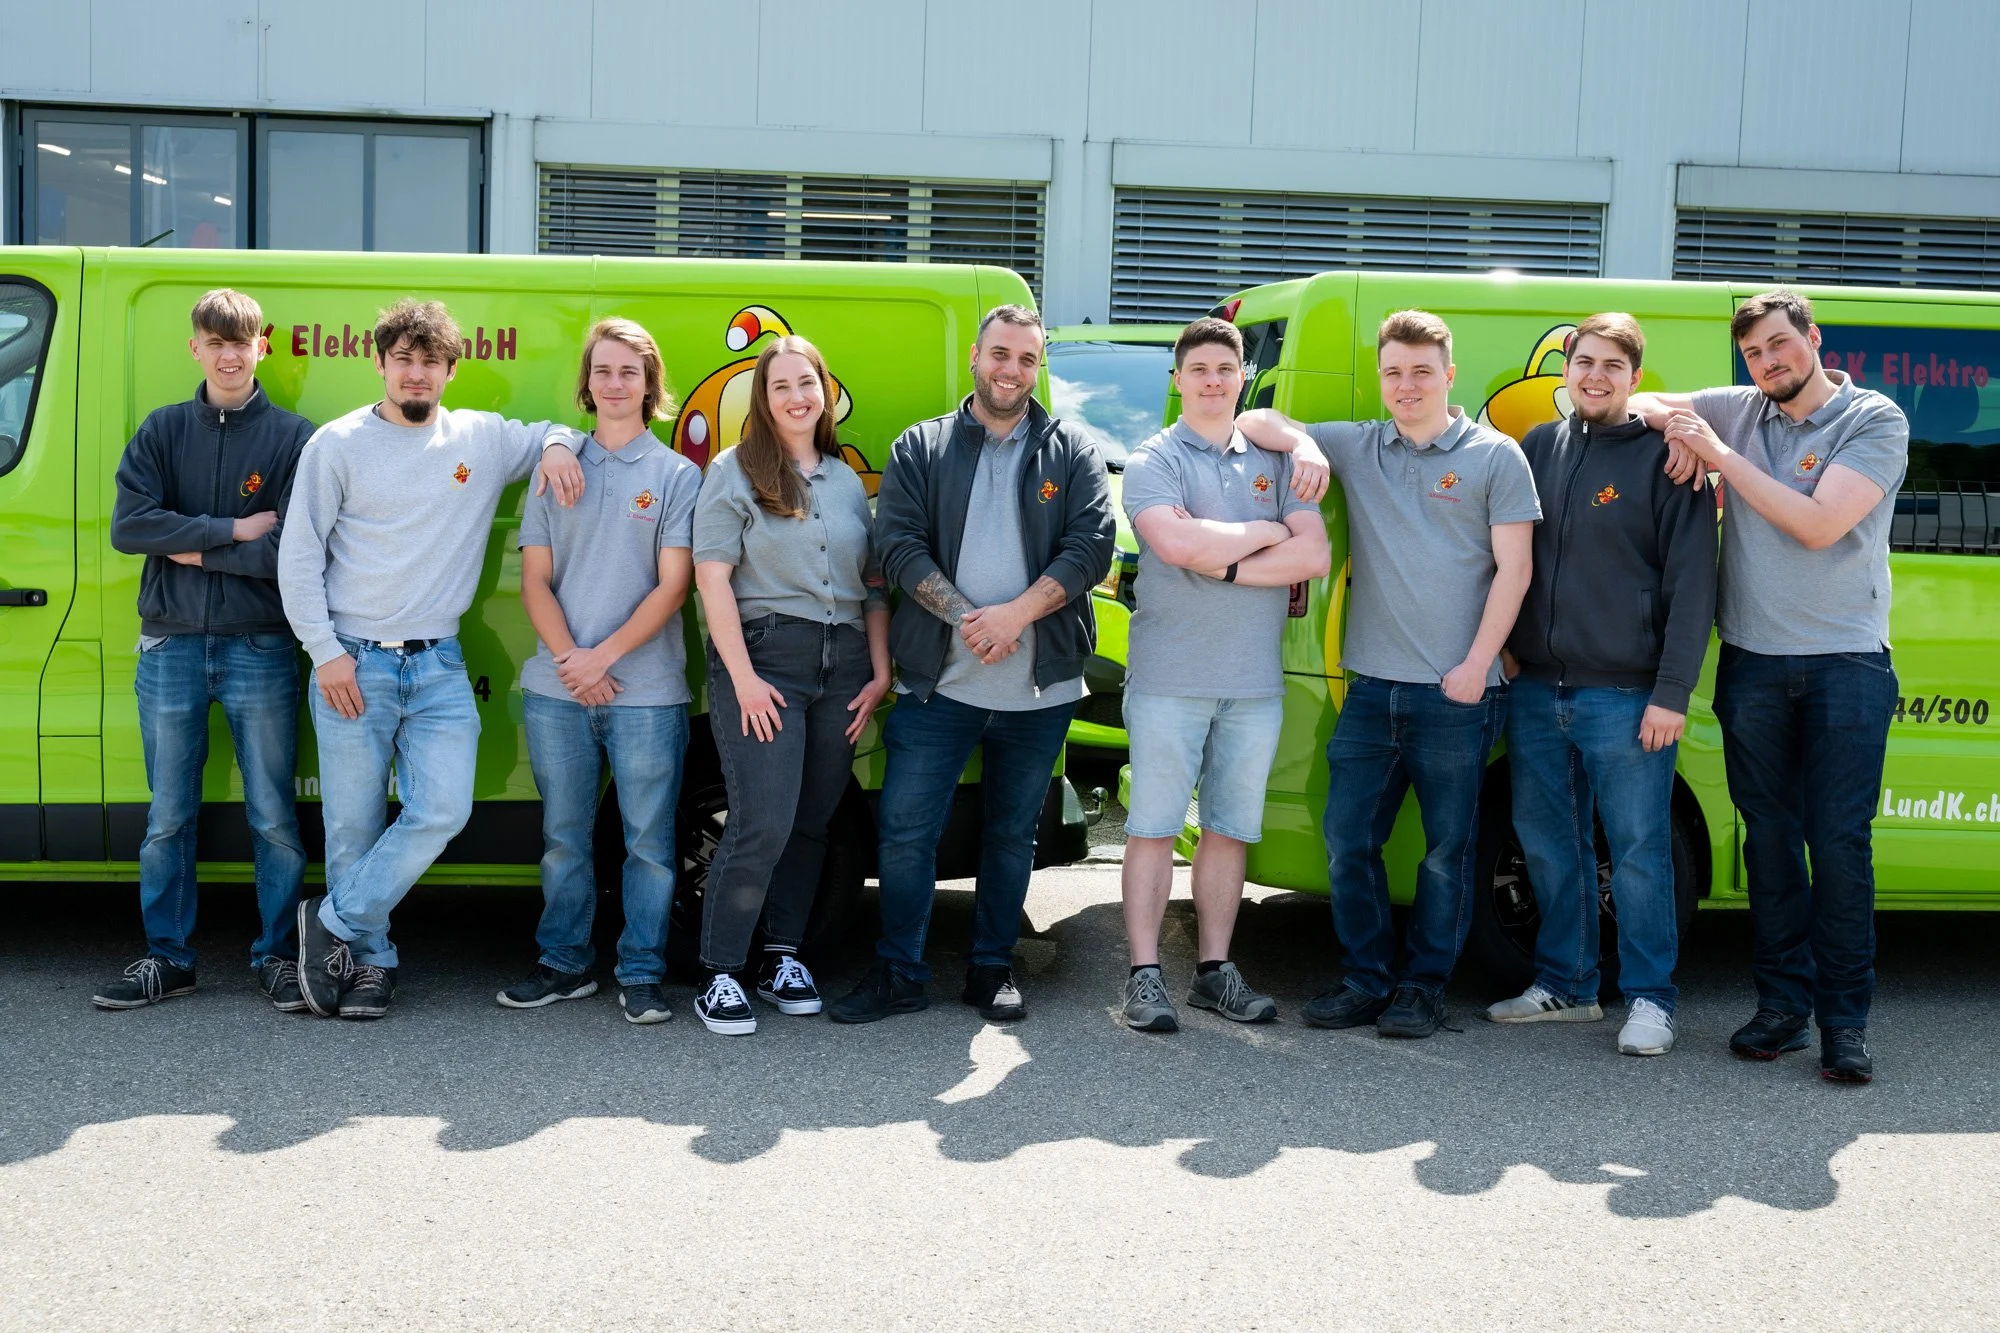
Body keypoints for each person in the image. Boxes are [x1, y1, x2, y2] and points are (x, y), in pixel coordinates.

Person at [279, 298, 586, 1021]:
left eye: (430, 361)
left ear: (451, 369)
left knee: (443, 807)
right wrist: (325, 654)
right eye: (403, 359)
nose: (416, 373)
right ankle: (371, 963)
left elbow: (555, 428)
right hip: (352, 661)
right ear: (381, 363)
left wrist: (559, 446)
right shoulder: (337, 444)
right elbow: (297, 558)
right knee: (352, 827)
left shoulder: (479, 437)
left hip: (438, 666)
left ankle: (330, 920)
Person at [1239, 309, 1540, 1039]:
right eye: (1393, 372)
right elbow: (1253, 423)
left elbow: (1517, 569)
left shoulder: (1497, 456)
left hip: (1457, 695)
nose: (1406, 386)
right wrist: (1306, 441)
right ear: (1381, 376)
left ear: (1449, 375)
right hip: (1370, 691)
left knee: (1446, 853)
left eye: (1421, 372)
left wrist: (1475, 666)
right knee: (1349, 840)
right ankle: (1366, 979)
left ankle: (1424, 987)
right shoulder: (1359, 444)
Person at [1632, 289, 1908, 1084]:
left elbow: (1818, 524)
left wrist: (1717, 456)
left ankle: (1844, 1024)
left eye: (1780, 345)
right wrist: (1678, 429)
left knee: (1840, 846)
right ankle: (1783, 1007)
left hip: (1845, 665)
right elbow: (1642, 397)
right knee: (1772, 845)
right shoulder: (1739, 406)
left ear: (1814, 338)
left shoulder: (1873, 420)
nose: (1768, 363)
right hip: (1752, 662)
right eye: (1754, 354)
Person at [830, 304, 1115, 1024]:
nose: (1011, 369)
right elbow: (895, 543)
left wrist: (1014, 616)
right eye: (999, 354)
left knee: (1011, 832)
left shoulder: (1072, 450)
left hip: (1038, 683)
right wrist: (968, 619)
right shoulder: (920, 447)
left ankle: (992, 967)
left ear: (1037, 364)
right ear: (974, 358)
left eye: (1025, 357)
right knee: (904, 828)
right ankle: (900, 970)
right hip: (939, 682)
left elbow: (1091, 548)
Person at [1483, 313, 1717, 1057]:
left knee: (1641, 850)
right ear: (1566, 368)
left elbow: (1693, 587)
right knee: (1550, 844)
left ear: (1635, 377)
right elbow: (1507, 558)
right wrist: (1513, 653)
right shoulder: (1537, 448)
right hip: (1536, 688)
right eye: (1584, 361)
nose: (1595, 375)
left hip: (1627, 696)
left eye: (1612, 365)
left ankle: (1651, 998)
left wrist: (1672, 693)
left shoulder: (1667, 458)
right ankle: (1568, 984)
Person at [95, 289, 317, 1012]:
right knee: (168, 814)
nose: (229, 353)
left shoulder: (293, 438)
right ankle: (169, 956)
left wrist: (189, 547)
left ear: (264, 345)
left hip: (261, 646)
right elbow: (130, 527)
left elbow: (293, 550)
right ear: (194, 346)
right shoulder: (161, 431)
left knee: (274, 816)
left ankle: (279, 955)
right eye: (215, 340)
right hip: (172, 646)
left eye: (241, 340)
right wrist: (230, 531)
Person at [1117, 317, 1330, 1032]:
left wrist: (1226, 559)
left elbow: (1314, 557)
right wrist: (1268, 532)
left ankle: (1214, 971)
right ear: (1178, 380)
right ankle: (1145, 975)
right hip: (1169, 677)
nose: (1212, 380)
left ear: (1243, 377)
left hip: (1252, 683)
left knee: (1229, 828)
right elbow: (1172, 542)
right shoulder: (1155, 456)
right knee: (1151, 826)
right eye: (1198, 368)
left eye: (1224, 368)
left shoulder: (1275, 452)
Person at [496, 318, 699, 1026]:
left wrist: (602, 659)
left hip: (647, 691)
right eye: (604, 370)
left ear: (650, 384)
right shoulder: (557, 468)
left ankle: (641, 971)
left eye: (630, 371)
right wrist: (572, 663)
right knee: (564, 836)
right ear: (586, 383)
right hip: (558, 689)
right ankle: (564, 961)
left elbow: (673, 586)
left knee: (649, 842)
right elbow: (534, 582)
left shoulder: (678, 474)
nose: (616, 383)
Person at [690, 335, 892, 1035]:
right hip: (766, 657)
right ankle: (719, 970)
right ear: (763, 400)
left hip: (843, 669)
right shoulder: (733, 471)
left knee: (813, 819)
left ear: (824, 389)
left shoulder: (842, 479)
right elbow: (710, 576)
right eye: (781, 386)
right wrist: (742, 678)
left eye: (807, 382)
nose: (797, 396)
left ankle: (781, 957)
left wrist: (880, 669)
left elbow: (871, 582)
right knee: (762, 819)